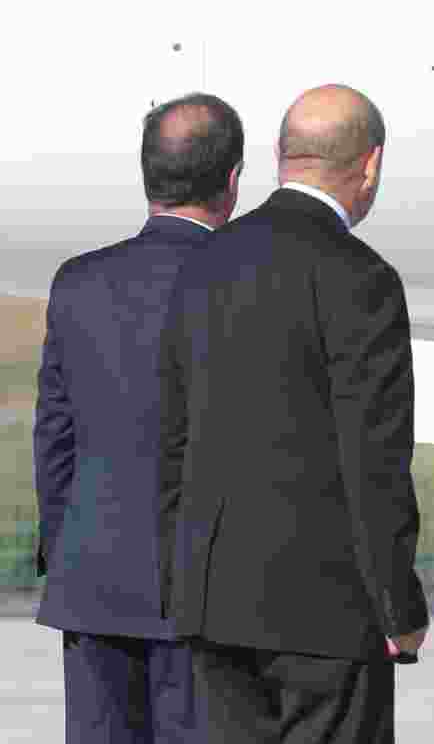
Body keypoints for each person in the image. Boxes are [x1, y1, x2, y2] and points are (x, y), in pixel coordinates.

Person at [157, 84, 428, 744]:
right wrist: (398, 603)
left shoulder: (203, 263)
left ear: (280, 154)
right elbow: (375, 459)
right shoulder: (361, 276)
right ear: (371, 166)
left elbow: (172, 437)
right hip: (326, 609)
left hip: (214, 599)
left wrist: (180, 581)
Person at [33, 92, 243, 743]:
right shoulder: (247, 282)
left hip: (91, 582)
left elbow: (55, 442)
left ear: (147, 172)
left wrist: (70, 547)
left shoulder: (77, 282)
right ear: (231, 181)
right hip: (209, 599)